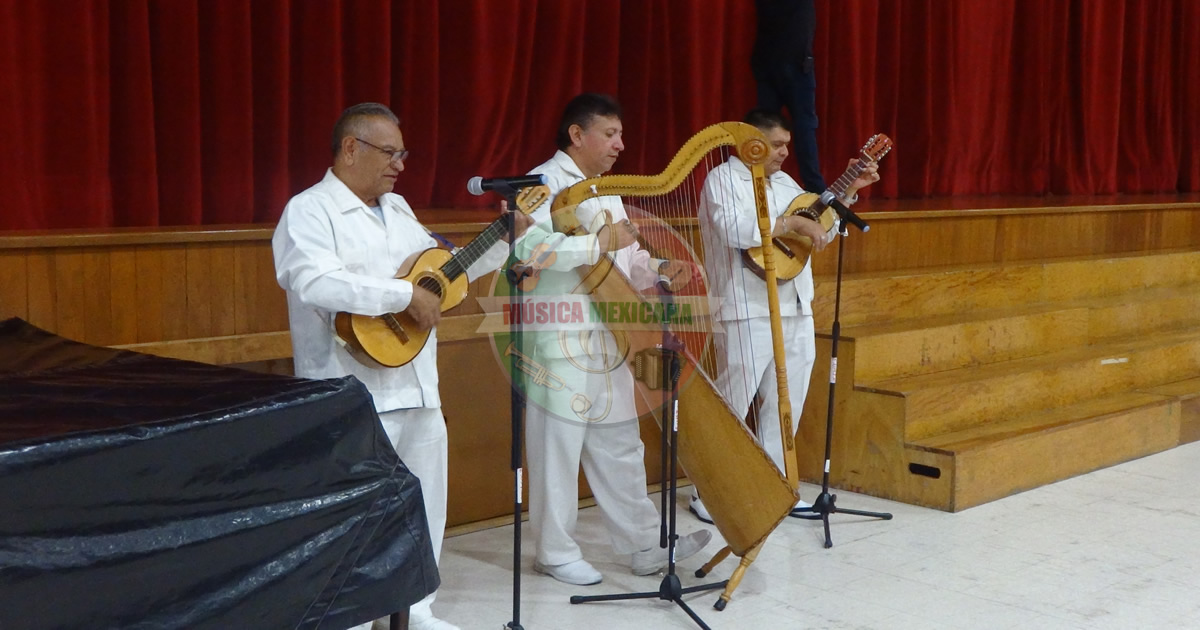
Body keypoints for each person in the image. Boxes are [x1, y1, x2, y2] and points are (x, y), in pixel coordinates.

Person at [272, 102, 530, 630]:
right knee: (353, 510)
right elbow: (313, 281)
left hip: (416, 382)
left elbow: (442, 272)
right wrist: (399, 295)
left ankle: (416, 607)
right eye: (390, 153)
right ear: (351, 148)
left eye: (403, 154)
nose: (400, 165)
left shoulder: (400, 209)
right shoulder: (309, 210)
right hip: (351, 388)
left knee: (425, 501)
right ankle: (347, 615)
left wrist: (502, 240)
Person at [512, 93, 711, 586]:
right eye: (610, 133)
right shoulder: (540, 185)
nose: (621, 144)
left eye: (621, 134)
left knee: (620, 441)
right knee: (557, 444)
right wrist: (600, 242)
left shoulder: (605, 190)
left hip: (611, 327)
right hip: (560, 332)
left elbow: (627, 256)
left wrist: (660, 267)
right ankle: (554, 551)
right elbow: (528, 252)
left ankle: (646, 544)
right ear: (577, 135)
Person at [691, 109, 879, 523]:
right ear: (750, 143)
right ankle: (708, 491)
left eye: (787, 146)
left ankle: (774, 486)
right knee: (733, 401)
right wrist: (786, 221)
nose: (783, 153)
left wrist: (847, 194)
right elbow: (731, 228)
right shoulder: (724, 179)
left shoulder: (786, 183)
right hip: (744, 306)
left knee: (786, 403)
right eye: (776, 145)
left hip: (794, 304)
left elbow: (820, 234)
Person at [752, 0, 825, 192]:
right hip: (789, 61)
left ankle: (761, 182)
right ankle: (813, 186)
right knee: (800, 126)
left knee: (771, 126)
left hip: (772, 60)